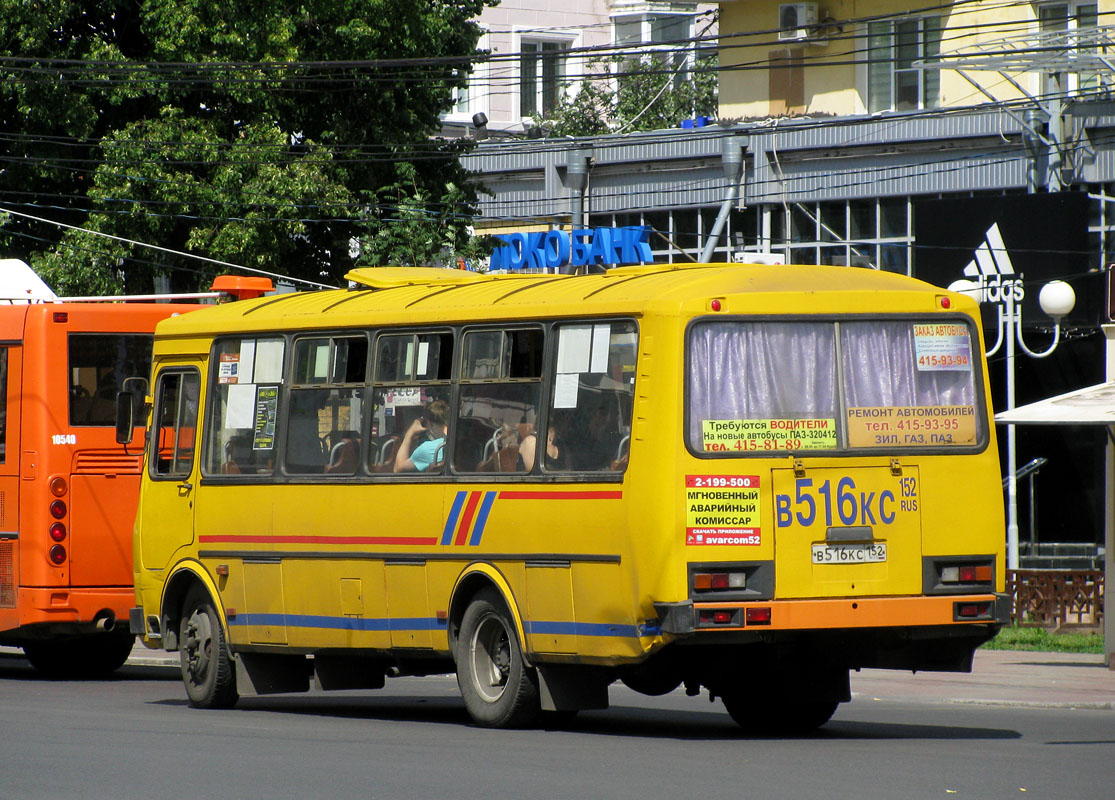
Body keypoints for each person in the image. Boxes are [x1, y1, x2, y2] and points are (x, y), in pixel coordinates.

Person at [393, 399, 448, 473]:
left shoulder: (428, 448)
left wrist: (409, 434)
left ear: (429, 423)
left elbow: (398, 469)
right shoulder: (460, 441)